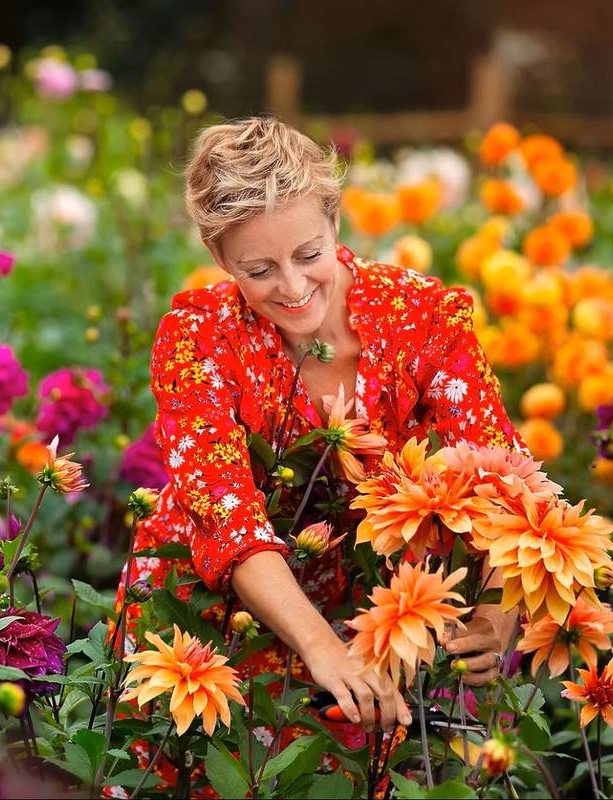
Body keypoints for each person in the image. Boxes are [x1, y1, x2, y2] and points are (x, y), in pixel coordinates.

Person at [114, 116, 525, 775]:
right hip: (216, 625)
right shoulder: (199, 338)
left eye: (308, 253)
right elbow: (228, 516)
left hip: (381, 617)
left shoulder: (422, 318)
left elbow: (505, 472)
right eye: (259, 268)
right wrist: (319, 646)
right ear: (220, 259)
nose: (294, 286)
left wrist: (501, 606)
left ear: (335, 222)